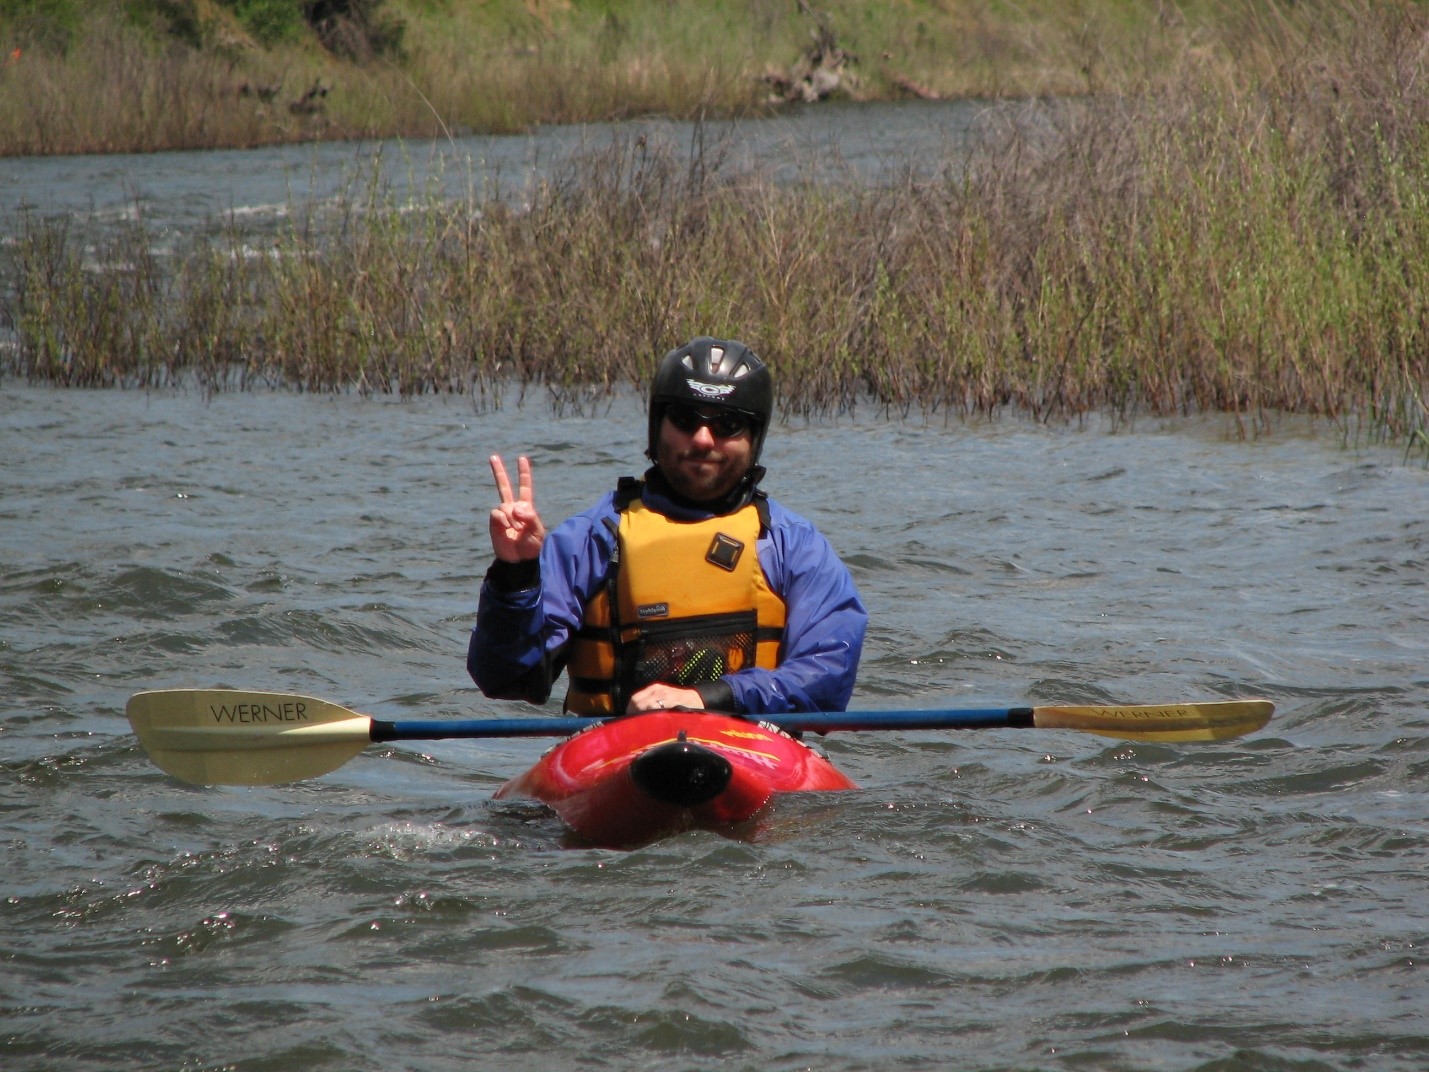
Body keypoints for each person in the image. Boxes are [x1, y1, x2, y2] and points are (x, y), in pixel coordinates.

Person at [467, 336, 865, 716]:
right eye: (685, 419)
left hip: (753, 742)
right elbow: (507, 679)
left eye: (728, 424)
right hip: (620, 745)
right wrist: (515, 577)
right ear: (657, 426)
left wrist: (710, 698)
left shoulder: (795, 546)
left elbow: (827, 679)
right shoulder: (590, 539)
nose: (703, 439)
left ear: (753, 437)